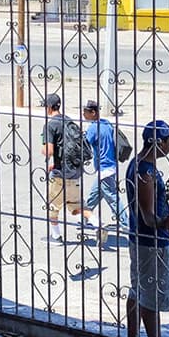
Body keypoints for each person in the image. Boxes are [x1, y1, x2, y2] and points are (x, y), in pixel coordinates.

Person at [125, 120, 169, 337]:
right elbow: (147, 216)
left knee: (138, 288)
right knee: (151, 296)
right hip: (151, 242)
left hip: (139, 238)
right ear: (158, 142)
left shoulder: (137, 164)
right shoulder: (145, 172)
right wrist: (166, 222)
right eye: (168, 140)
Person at [41, 93, 90, 242]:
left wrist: (43, 148)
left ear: (49, 108)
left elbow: (48, 151)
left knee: (52, 206)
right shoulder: (68, 121)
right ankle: (97, 223)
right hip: (74, 171)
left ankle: (56, 236)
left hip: (60, 174)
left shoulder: (50, 125)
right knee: (77, 206)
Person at [82, 100, 129, 245]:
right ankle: (85, 217)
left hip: (104, 169)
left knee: (112, 197)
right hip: (110, 166)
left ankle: (126, 223)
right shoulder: (106, 124)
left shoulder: (93, 128)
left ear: (93, 112)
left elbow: (84, 146)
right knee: (95, 194)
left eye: (86, 112)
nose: (84, 114)